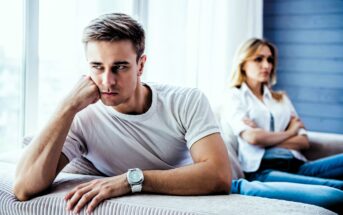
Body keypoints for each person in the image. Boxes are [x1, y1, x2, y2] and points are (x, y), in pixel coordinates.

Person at [13, 13, 232, 214]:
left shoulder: (186, 101)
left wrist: (131, 180)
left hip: (237, 178)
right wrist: (66, 106)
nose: (107, 81)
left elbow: (220, 176)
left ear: (140, 65)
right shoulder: (82, 116)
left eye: (120, 67)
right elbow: (23, 188)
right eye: (97, 67)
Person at [222, 37, 343, 212]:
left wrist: (267, 139)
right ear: (243, 63)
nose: (266, 65)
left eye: (269, 59)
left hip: (298, 165)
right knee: (337, 187)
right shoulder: (235, 97)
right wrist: (290, 131)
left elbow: (303, 141)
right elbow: (253, 137)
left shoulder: (281, 98)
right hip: (264, 171)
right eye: (258, 59)